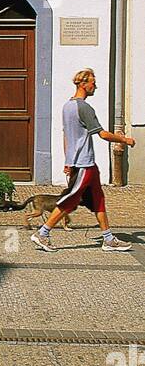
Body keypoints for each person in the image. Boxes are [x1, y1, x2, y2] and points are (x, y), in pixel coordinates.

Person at [32, 68, 135, 252]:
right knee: (70, 200)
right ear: (83, 84)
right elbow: (102, 134)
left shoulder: (67, 106)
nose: (95, 86)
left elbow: (67, 136)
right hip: (83, 163)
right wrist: (124, 140)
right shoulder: (84, 107)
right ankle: (43, 233)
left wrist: (67, 160)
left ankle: (108, 239)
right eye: (93, 83)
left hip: (84, 163)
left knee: (98, 199)